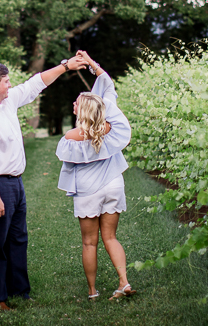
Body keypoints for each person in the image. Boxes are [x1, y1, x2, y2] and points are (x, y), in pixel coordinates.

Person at [0, 56, 86, 310]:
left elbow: (35, 84)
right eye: (7, 81)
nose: (11, 85)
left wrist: (65, 67)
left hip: (14, 181)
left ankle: (19, 291)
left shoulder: (5, 102)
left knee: (18, 238)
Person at [55, 50, 135, 300]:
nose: (74, 104)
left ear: (83, 111)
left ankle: (92, 291)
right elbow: (108, 85)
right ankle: (123, 281)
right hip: (113, 184)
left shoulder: (71, 137)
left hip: (88, 191)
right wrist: (92, 64)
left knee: (90, 242)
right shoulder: (112, 128)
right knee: (110, 236)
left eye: (77, 102)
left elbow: (66, 152)